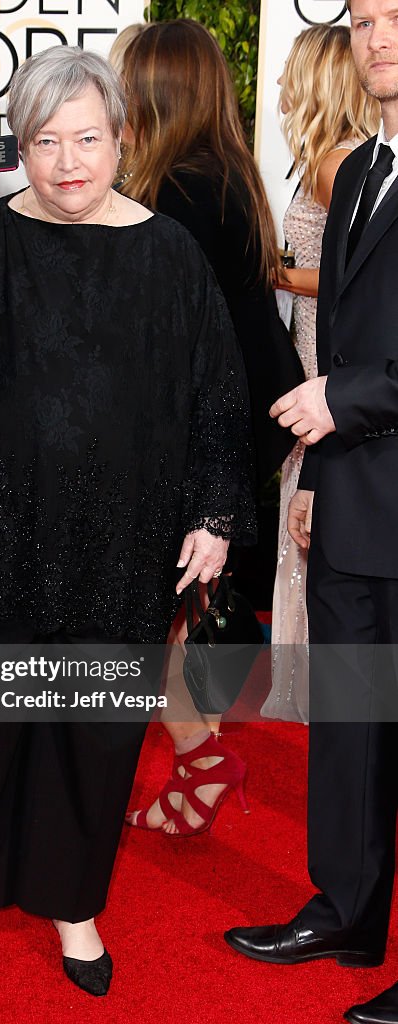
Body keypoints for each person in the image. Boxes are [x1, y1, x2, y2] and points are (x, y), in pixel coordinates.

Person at [0, 45, 254, 996]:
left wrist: (213, 511)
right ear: (21, 147)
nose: (68, 161)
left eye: (88, 138)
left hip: (116, 540)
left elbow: (217, 392)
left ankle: (73, 902)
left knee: (88, 730)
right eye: (46, 140)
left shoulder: (166, 252)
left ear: (123, 140)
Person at [225, 4, 398, 1022]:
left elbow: (353, 374)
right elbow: (345, 336)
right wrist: (321, 477)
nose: (380, 39)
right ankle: (347, 907)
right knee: (350, 722)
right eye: (367, 19)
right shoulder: (366, 167)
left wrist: (344, 403)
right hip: (355, 498)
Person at [118, 19, 291, 836]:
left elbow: (156, 344)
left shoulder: (177, 192)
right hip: (240, 417)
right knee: (179, 608)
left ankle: (198, 754)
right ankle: (202, 758)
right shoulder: (227, 173)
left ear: (155, 89)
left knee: (131, 615)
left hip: (198, 432)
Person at [263, 24, 378, 725]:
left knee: (308, 508)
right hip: (317, 352)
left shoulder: (335, 166)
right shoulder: (336, 161)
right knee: (304, 510)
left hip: (324, 360)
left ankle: (309, 682)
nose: (279, 89)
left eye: (289, 76)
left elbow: (347, 281)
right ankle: (305, 679)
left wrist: (268, 271)